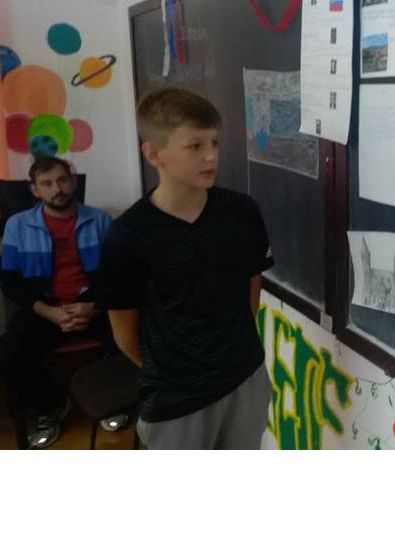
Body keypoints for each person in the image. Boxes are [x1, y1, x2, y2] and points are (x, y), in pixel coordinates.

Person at [97, 87, 274, 449]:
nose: (211, 157)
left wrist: (230, 353)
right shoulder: (128, 236)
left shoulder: (241, 213)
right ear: (153, 154)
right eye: (195, 146)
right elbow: (124, 332)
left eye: (214, 143)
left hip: (245, 377)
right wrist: (177, 370)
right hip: (176, 401)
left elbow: (250, 293)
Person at [0, 157, 117, 448]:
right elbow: (10, 282)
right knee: (9, 354)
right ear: (35, 189)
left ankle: (111, 400)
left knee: (133, 335)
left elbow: (115, 275)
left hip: (92, 305)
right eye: (47, 183)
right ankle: (52, 405)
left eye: (63, 180)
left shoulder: (100, 220)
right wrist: (50, 312)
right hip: (45, 308)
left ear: (73, 182)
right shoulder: (17, 225)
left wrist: (93, 306)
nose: (57, 189)